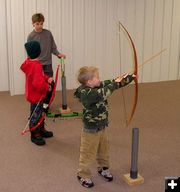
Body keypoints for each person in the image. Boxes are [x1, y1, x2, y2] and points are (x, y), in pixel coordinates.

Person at [74, 66, 137, 188]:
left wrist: (129, 78)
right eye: (96, 77)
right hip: (90, 130)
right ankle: (83, 175)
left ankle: (103, 168)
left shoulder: (96, 85)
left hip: (101, 127)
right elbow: (103, 92)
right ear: (89, 82)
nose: (99, 79)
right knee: (88, 153)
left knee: (104, 150)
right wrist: (115, 84)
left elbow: (111, 83)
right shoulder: (86, 93)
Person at [27, 13, 66, 111]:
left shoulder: (48, 33)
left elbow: (53, 47)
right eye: (37, 24)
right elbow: (29, 52)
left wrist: (58, 54)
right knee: (38, 86)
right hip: (37, 65)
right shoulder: (31, 36)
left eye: (41, 23)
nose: (39, 26)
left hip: (47, 64)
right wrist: (30, 63)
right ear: (33, 24)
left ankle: (45, 104)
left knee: (49, 85)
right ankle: (37, 106)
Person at [20, 41, 54, 146]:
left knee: (40, 113)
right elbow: (38, 83)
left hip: (34, 94)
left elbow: (39, 76)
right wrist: (47, 87)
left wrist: (47, 78)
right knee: (36, 114)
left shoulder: (29, 62)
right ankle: (34, 134)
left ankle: (40, 129)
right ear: (38, 52)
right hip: (37, 95)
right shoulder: (36, 65)